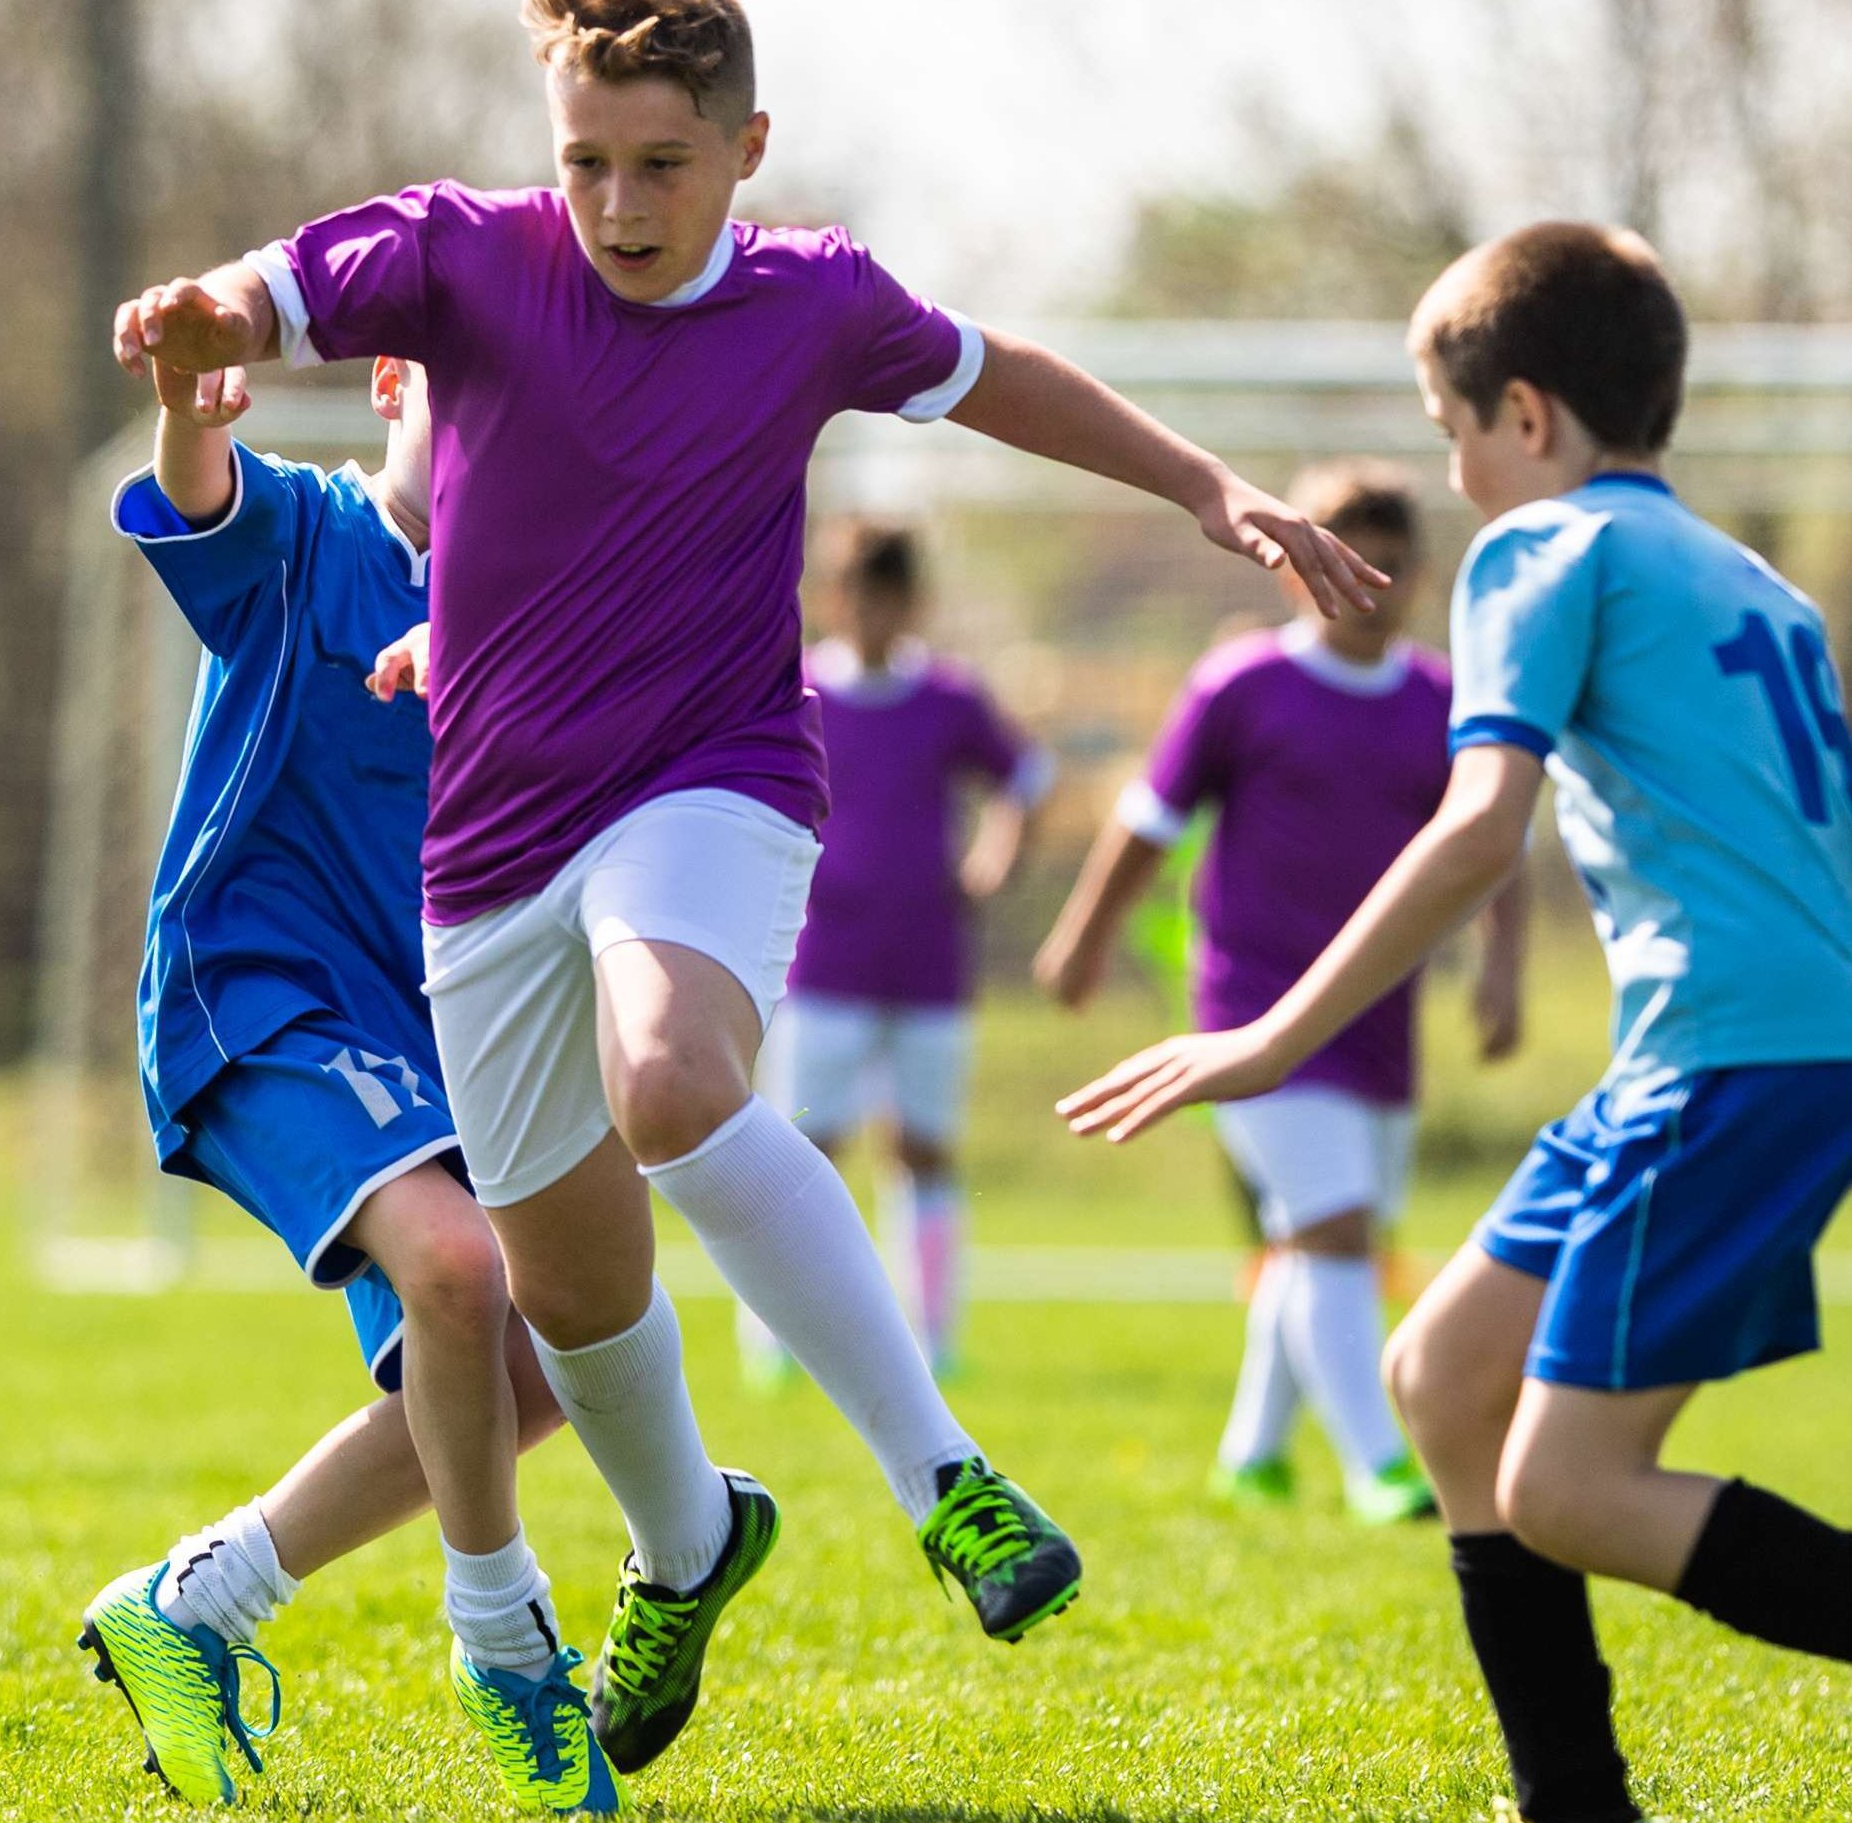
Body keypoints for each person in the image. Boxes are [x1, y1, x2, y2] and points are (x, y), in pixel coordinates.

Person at [108, 0, 1388, 1778]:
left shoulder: (811, 301)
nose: (618, 203)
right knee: (564, 1301)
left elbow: (994, 369)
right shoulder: (461, 260)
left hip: (710, 779)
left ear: (746, 152)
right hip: (485, 870)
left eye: (661, 164)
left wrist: (1204, 488)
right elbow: (260, 292)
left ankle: (944, 1476)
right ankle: (686, 1546)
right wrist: (200, 320)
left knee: (671, 1077)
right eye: (585, 162)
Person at [1060, 223, 1852, 1823]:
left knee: (1566, 1486)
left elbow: (1476, 823)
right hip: (1765, 1038)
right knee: (1442, 1380)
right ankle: (1571, 1793)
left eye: (1450, 433)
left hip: (1738, 1052)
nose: (1455, 478)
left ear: (1526, 416)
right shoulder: (1741, 573)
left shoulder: (1539, 552)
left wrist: (1270, 1035)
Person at [77, 350, 613, 1812]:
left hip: (435, 1040)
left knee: (546, 1357)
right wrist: (193, 401)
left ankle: (192, 1603)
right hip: (255, 995)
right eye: (469, 396)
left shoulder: (538, 617)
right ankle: (503, 1640)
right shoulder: (307, 533)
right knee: (455, 1264)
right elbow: (202, 493)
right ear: (392, 384)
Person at [1034, 460, 1522, 1524]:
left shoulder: (1444, 699)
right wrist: (1083, 934)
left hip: (1376, 1022)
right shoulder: (1242, 688)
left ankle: (1252, 1450)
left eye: (1391, 567)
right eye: (1348, 563)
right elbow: (1147, 823)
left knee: (1323, 1239)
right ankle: (1381, 1464)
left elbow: (1491, 843)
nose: (1369, 585)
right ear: (1298, 570)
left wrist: (1504, 969)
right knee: (1337, 1229)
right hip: (1246, 1014)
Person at [744, 519, 1051, 1384]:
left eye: (890, 598)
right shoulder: (799, 691)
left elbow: (1024, 781)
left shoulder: (948, 700)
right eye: (857, 596)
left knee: (922, 1150)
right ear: (834, 599)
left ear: (912, 603)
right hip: (821, 960)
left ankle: (934, 1337)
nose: (873, 614)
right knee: (803, 1151)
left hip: (927, 964)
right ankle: (779, 1338)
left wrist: (993, 860)